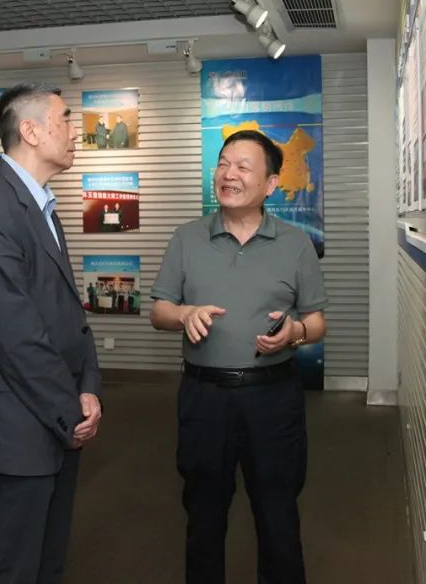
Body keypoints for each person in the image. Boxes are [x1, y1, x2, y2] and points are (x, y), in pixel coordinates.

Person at [150, 129, 328, 584]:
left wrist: (295, 332)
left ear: (270, 184)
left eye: (243, 167)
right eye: (223, 163)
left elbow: (316, 322)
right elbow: (159, 311)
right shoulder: (187, 238)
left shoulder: (295, 244)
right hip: (204, 398)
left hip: (273, 399)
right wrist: (184, 314)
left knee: (278, 515)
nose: (228, 174)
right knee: (203, 517)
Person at [0, 82, 102, 584]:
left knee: (47, 560)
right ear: (31, 131)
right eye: (66, 119)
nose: (76, 132)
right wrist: (69, 410)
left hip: (52, 416)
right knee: (15, 566)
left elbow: (66, 313)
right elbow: (13, 334)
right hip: (15, 427)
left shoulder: (36, 204)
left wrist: (87, 387)